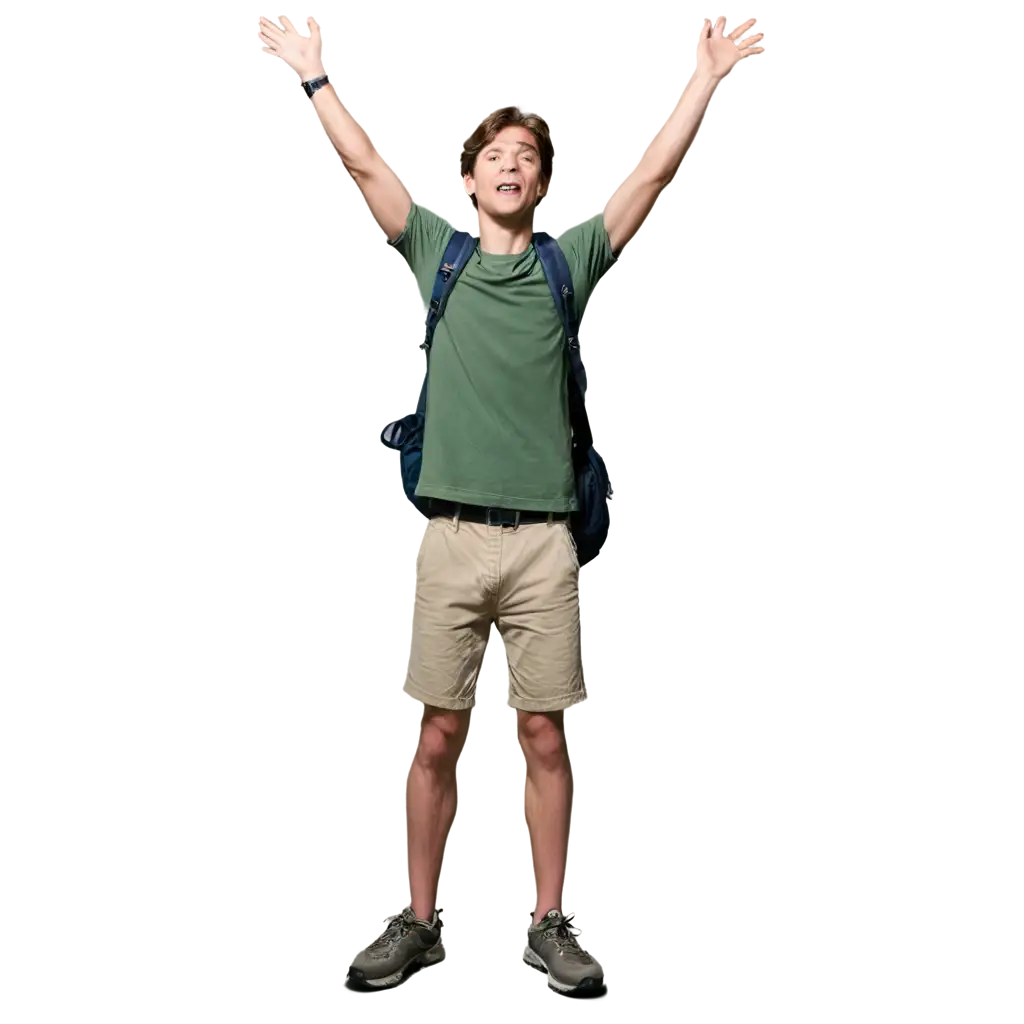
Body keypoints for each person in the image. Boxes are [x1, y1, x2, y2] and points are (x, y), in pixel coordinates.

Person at [256, 11, 763, 994]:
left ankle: (547, 922)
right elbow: (365, 169)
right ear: (468, 178)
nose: (511, 164)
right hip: (447, 535)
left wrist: (702, 78)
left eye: (526, 155)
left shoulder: (565, 264)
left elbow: (649, 175)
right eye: (495, 152)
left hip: (542, 545)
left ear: (537, 183)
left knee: (542, 733)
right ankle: (416, 916)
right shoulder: (432, 251)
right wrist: (316, 80)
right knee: (437, 734)